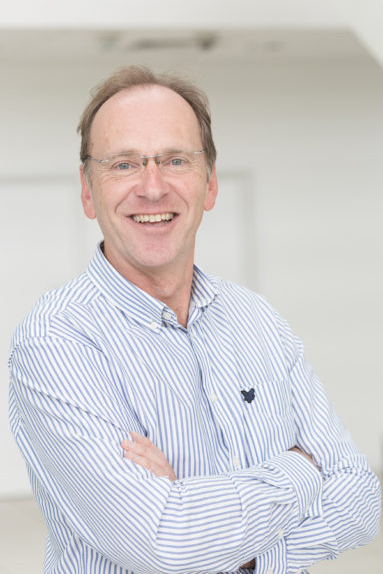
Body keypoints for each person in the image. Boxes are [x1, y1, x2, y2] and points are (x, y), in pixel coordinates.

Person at [9, 65, 380, 574]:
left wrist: (193, 508)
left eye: (175, 159)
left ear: (209, 184)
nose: (153, 187)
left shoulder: (257, 320)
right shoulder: (58, 340)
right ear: (88, 190)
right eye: (123, 164)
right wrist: (302, 466)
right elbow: (165, 543)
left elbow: (359, 499)